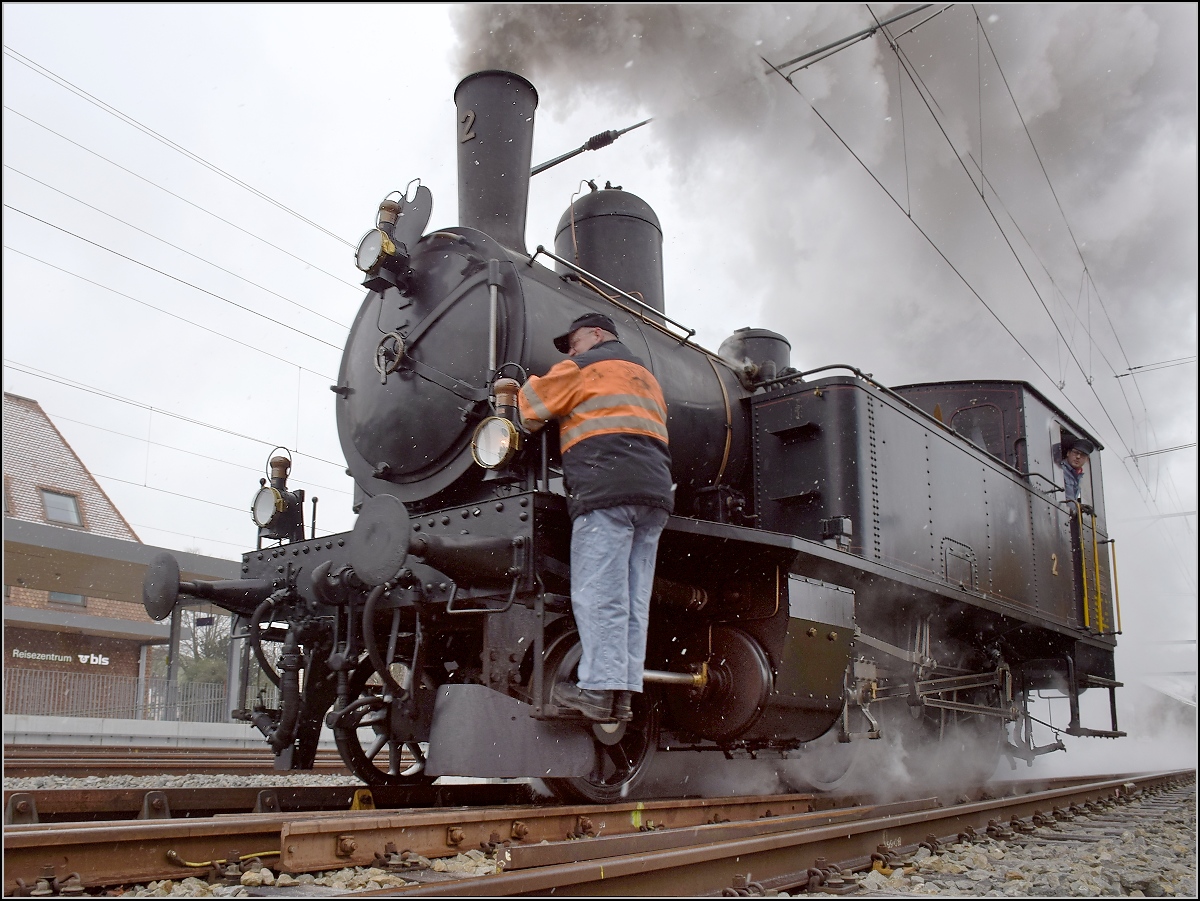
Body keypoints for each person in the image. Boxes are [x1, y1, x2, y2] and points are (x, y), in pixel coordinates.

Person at [517, 312, 674, 722]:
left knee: (600, 593)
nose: (570, 350)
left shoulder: (584, 368)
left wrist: (518, 386)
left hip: (606, 491)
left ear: (597, 334)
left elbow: (529, 411)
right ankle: (622, 692)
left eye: (573, 341)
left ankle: (599, 690)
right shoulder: (646, 378)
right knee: (632, 598)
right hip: (653, 495)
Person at [1061, 437, 1094, 508]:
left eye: (1083, 455)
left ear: (1086, 459)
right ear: (1068, 453)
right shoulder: (1060, 470)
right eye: (1076, 453)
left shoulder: (1077, 476)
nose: (1078, 457)